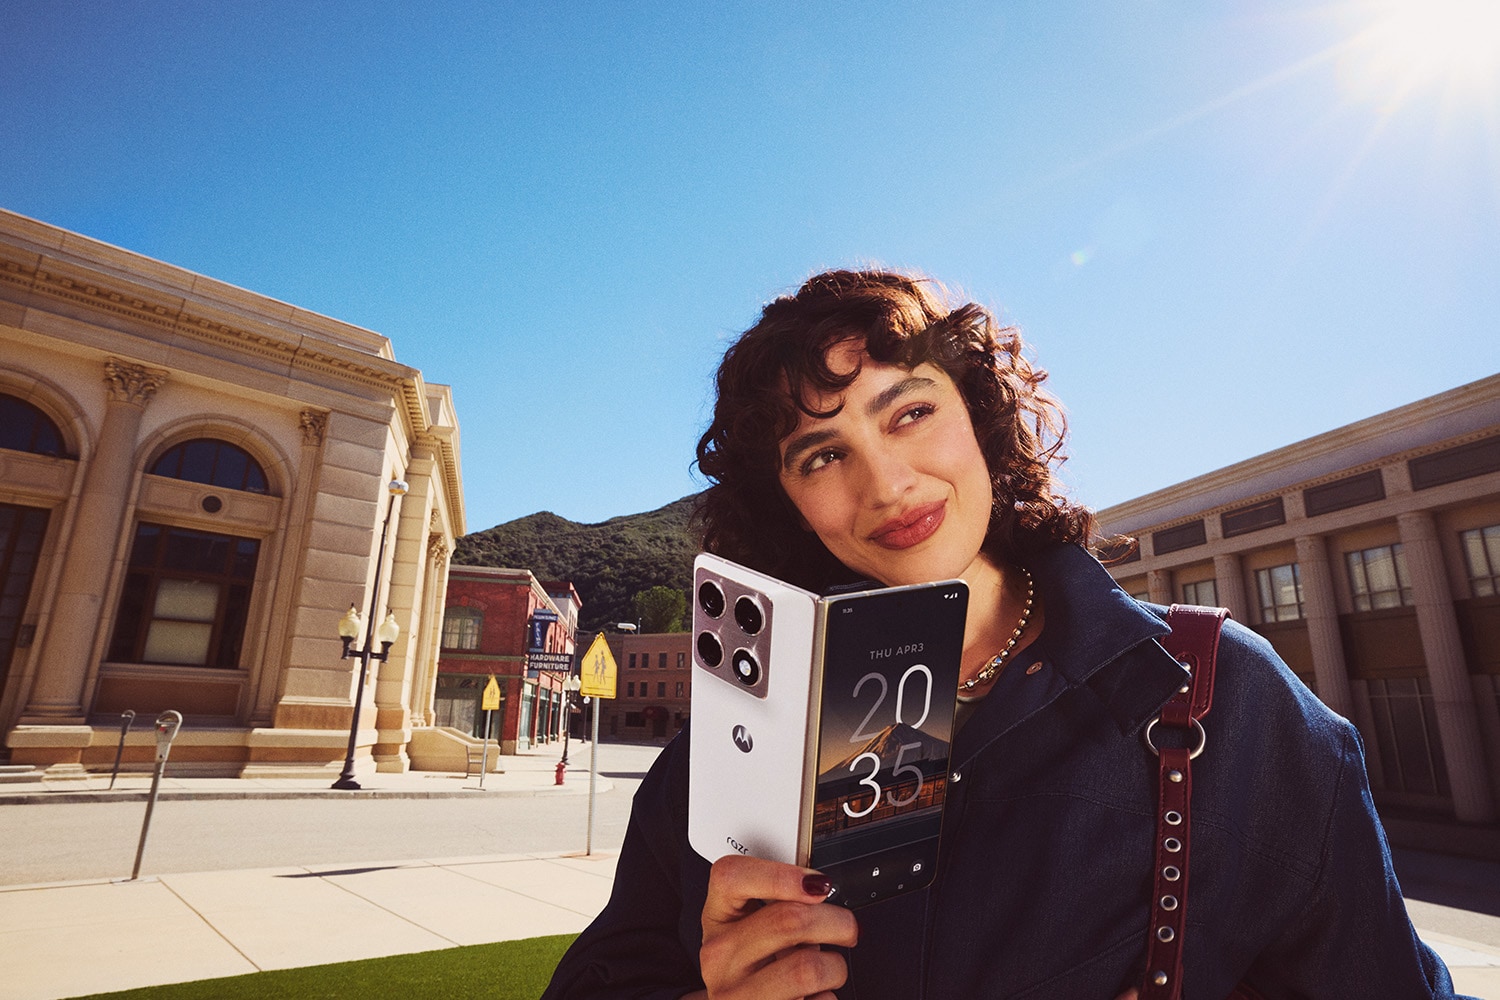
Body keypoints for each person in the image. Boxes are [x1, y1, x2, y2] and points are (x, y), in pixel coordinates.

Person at [541, 269, 1470, 999]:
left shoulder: (1225, 700)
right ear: (786, 503)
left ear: (980, 417)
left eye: (911, 411)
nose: (887, 485)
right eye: (821, 455)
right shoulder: (729, 755)